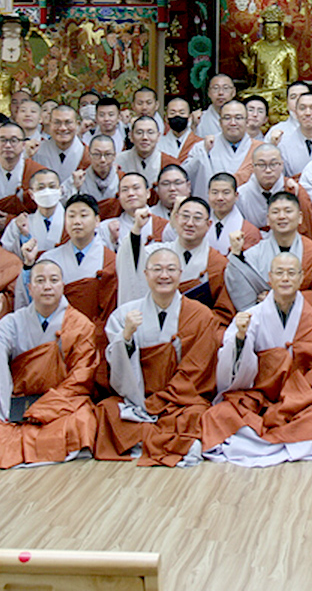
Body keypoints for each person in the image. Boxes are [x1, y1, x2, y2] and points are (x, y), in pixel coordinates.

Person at [202, 252, 312, 466]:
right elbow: (234, 375)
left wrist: (294, 399)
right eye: (279, 273)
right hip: (260, 400)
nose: (285, 278)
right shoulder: (251, 317)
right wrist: (241, 338)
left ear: (301, 279)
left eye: (292, 273)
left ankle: (258, 443)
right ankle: (289, 442)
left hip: (302, 403)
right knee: (218, 415)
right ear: (269, 278)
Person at [95, 248, 217, 466]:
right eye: (157, 269)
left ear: (180, 273)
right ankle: (177, 443)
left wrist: (160, 401)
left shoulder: (201, 315)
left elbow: (198, 369)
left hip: (179, 401)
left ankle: (145, 441)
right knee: (107, 410)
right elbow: (115, 370)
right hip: (138, 398)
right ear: (145, 274)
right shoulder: (124, 314)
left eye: (171, 269)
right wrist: (126, 337)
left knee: (197, 414)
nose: (164, 275)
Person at [0, 259, 98, 468]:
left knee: (82, 421)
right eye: (40, 280)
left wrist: (46, 407)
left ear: (63, 285)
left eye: (53, 280)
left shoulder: (80, 325)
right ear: (30, 287)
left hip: (62, 402)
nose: (47, 286)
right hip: (20, 401)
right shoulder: (11, 323)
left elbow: (81, 377)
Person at [121, 197, 235, 333]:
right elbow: (133, 263)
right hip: (155, 328)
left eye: (197, 218)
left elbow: (223, 313)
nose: (190, 223)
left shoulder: (217, 262)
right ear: (175, 218)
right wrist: (137, 229)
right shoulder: (157, 253)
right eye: (185, 216)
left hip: (197, 332)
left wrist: (195, 324)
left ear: (209, 224)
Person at [25, 193, 117, 339]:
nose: (77, 221)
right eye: (71, 216)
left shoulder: (111, 260)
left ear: (97, 220)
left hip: (95, 335)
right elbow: (34, 299)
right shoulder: (49, 259)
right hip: (56, 334)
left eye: (83, 215)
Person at [226, 191, 312, 312]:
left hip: (303, 318)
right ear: (268, 219)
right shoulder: (253, 255)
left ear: (300, 217)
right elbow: (243, 294)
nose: (282, 216)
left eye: (288, 211)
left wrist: (282, 300)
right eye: (275, 212)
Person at [188, 99, 262, 199]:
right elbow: (187, 177)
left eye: (238, 118)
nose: (233, 123)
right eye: (227, 118)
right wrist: (203, 153)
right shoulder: (203, 147)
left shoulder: (260, 149)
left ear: (247, 121)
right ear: (220, 122)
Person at [240, 5, 299, 120]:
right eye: (268, 29)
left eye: (274, 29)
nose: (271, 32)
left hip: (279, 90)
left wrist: (286, 90)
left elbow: (293, 77)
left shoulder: (288, 49)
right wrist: (247, 64)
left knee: (279, 99)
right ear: (263, 30)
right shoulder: (256, 47)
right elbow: (252, 77)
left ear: (280, 30)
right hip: (261, 89)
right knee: (244, 96)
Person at [205, 171, 261, 257]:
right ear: (208, 194)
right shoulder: (199, 224)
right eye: (215, 192)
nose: (220, 198)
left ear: (236, 196)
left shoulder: (248, 231)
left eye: (226, 192)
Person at [277, 91, 312, 177]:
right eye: (302, 108)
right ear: (295, 112)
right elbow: (279, 178)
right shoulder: (283, 143)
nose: (308, 113)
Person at [33, 105, 89, 186]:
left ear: (77, 124)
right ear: (49, 124)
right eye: (57, 122)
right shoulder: (36, 151)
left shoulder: (87, 154)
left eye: (68, 122)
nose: (62, 128)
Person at [0, 121, 42, 221]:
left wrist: (9, 220)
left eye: (14, 140)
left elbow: (44, 211)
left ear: (23, 145)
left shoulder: (36, 172)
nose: (8, 145)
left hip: (25, 230)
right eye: (2, 140)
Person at [71, 133, 119, 219]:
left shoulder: (121, 178)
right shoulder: (79, 178)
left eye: (107, 154)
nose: (102, 160)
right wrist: (75, 188)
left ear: (114, 156)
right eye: (97, 154)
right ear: (89, 155)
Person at [196, 73, 236, 138]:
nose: (220, 93)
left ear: (234, 92)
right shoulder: (199, 119)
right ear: (209, 92)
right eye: (215, 88)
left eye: (225, 88)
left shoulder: (243, 118)